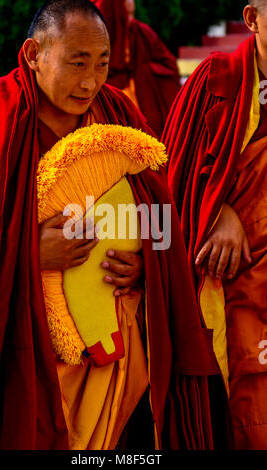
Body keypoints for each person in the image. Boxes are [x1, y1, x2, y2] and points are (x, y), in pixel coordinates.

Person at [0, 0, 219, 450]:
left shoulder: (117, 111)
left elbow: (158, 213)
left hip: (116, 335)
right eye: (76, 63)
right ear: (33, 54)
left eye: (101, 63)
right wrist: (32, 254)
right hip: (29, 342)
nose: (90, 82)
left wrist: (146, 266)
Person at [163, 0, 267, 450]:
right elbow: (174, 175)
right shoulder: (217, 82)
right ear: (252, 19)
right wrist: (217, 209)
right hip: (238, 276)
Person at [94, 0, 180, 137]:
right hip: (110, 92)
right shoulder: (100, 31)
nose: (131, 2)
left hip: (138, 93)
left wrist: (142, 71)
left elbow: (169, 65)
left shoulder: (142, 32)